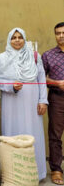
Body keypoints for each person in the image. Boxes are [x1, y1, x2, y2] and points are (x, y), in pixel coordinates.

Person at [0, 27, 48, 181]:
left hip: (32, 103)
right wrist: (11, 86)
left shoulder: (34, 57)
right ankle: (13, 176)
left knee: (32, 134)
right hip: (11, 102)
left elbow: (41, 79)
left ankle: (35, 174)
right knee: (13, 133)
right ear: (9, 40)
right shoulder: (2, 58)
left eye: (20, 37)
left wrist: (43, 100)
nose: (17, 40)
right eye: (13, 37)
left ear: (24, 39)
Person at [42, 22, 64, 185]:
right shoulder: (48, 55)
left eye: (63, 33)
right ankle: (56, 169)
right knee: (55, 136)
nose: (61, 36)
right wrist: (57, 83)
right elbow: (41, 79)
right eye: (58, 33)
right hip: (57, 98)